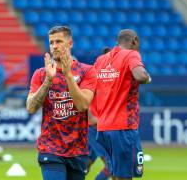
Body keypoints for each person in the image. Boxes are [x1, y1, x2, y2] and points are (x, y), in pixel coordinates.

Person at [26, 25, 97, 180]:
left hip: (78, 149)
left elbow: (83, 105)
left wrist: (68, 76)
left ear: (70, 43)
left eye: (59, 41)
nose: (54, 46)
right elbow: (31, 108)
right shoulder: (41, 74)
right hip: (50, 148)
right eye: (51, 42)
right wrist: (48, 81)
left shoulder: (87, 72)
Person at [93, 29, 151, 180]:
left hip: (103, 129)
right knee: (125, 177)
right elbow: (141, 76)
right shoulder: (131, 54)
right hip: (123, 128)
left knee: (115, 174)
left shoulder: (101, 60)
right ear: (134, 40)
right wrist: (147, 77)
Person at [87, 46, 112, 180]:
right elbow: (84, 99)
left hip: (104, 128)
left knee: (85, 164)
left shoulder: (113, 79)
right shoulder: (95, 76)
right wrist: (91, 118)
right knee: (112, 165)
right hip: (94, 128)